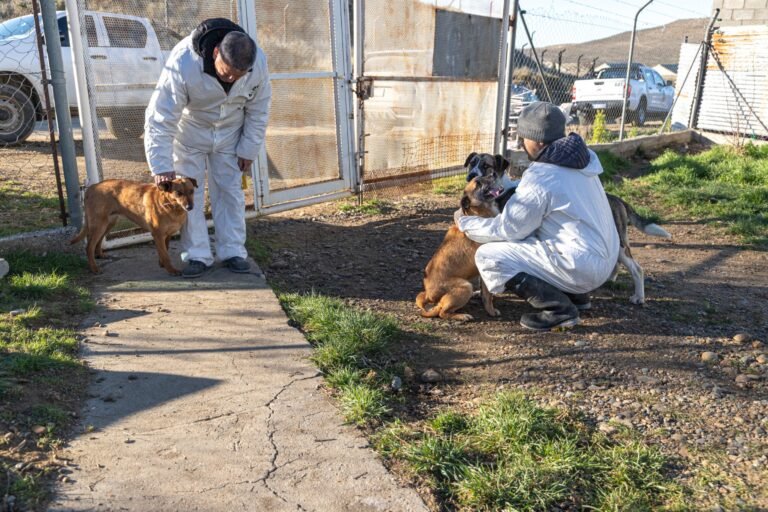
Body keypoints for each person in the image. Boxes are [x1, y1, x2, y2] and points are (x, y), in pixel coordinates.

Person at [456, 102, 619, 331]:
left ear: (537, 140)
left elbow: (510, 229)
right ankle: (577, 296)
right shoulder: (581, 159)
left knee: (489, 256)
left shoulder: (544, 175)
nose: (522, 143)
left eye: (524, 138)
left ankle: (558, 310)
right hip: (605, 259)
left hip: (581, 265)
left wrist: (466, 223)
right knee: (541, 236)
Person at [144, 18, 271, 278]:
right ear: (215, 53)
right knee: (190, 196)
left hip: (229, 135)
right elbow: (161, 116)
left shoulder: (258, 63)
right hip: (189, 134)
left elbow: (259, 109)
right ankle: (197, 255)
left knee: (230, 191)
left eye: (239, 76)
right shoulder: (182, 62)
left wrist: (248, 149)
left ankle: (233, 251)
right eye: (226, 73)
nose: (231, 79)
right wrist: (161, 166)